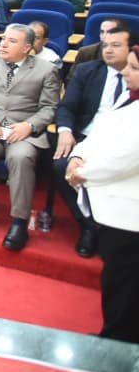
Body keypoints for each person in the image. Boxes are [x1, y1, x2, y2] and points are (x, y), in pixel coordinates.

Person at [63, 44, 139, 344]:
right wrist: (77, 156)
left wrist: (82, 174)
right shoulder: (129, 98)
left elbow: (126, 158)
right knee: (117, 278)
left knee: (123, 282)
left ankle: (116, 342)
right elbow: (99, 133)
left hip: (129, 214)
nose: (125, 72)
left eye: (134, 68)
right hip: (112, 207)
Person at [0, 24, 61, 251]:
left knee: (21, 157)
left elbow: (50, 107)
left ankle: (19, 220)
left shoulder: (46, 69)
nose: (3, 44)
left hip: (24, 132)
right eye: (3, 38)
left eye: (12, 41)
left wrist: (30, 125)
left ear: (27, 48)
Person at [54, 23, 133, 258]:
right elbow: (67, 106)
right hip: (85, 137)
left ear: (132, 50)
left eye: (116, 45)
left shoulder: (135, 78)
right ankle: (88, 224)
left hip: (125, 142)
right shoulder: (87, 70)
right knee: (61, 164)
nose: (108, 50)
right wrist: (65, 131)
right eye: (105, 45)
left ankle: (113, 226)